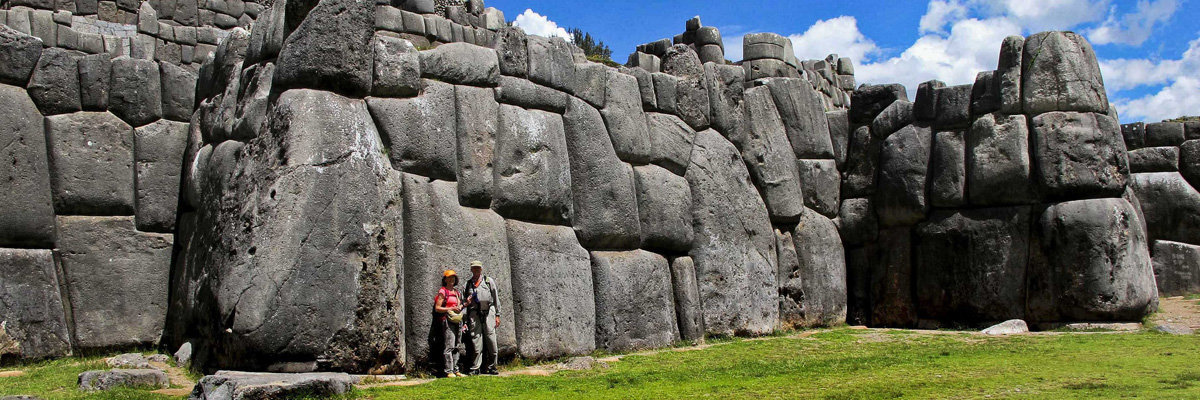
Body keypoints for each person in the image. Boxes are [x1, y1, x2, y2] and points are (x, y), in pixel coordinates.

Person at [464, 260, 501, 375]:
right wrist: (465, 320)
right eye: (474, 268)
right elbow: (464, 302)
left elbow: (495, 298)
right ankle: (476, 367)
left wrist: (497, 315)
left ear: (481, 269)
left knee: (491, 339)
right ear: (471, 269)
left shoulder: (488, 281)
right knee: (476, 340)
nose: (476, 270)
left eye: (478, 268)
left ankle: (493, 366)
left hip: (489, 312)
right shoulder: (467, 284)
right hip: (474, 314)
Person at [433, 269, 465, 378]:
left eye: (453, 278)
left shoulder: (457, 292)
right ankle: (448, 371)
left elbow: (459, 306)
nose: (451, 279)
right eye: (449, 278)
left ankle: (456, 370)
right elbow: (437, 308)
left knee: (457, 345)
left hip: (457, 320)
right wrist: (450, 308)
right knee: (449, 345)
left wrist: (461, 307)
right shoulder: (443, 291)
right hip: (447, 320)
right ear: (445, 280)